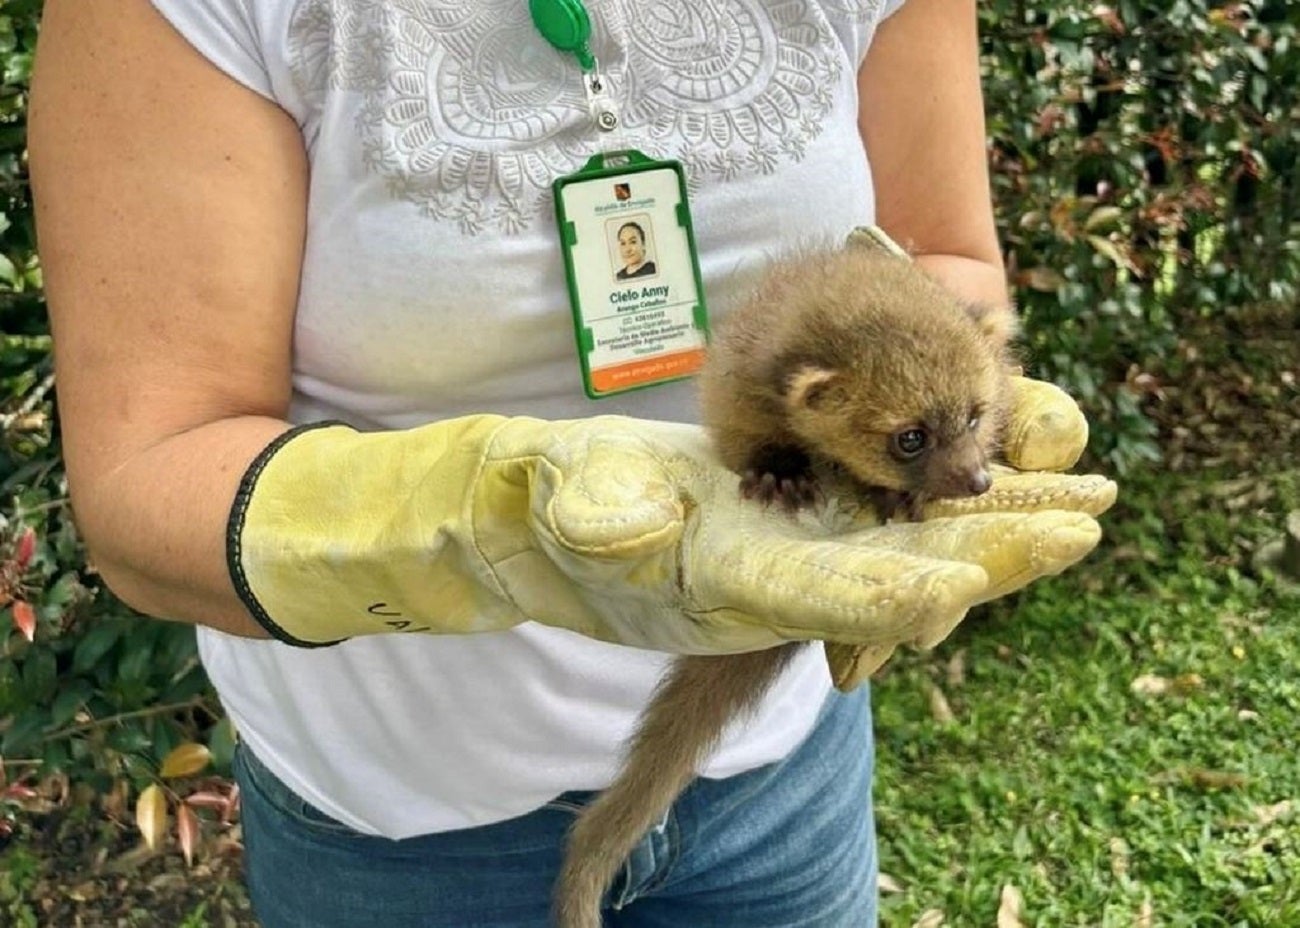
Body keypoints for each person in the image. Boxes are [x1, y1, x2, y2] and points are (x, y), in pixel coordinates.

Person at [28, 1, 1111, 926]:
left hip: (785, 766)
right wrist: (496, 525)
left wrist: (935, 447)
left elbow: (942, 264)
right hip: (403, 820)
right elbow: (148, 477)